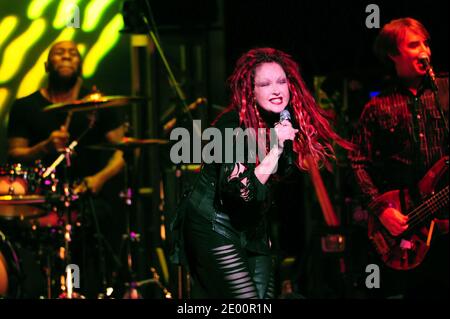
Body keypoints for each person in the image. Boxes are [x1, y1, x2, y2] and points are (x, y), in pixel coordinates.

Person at [170, 47, 352, 299]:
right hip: (214, 225)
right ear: (250, 92)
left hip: (251, 227)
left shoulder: (278, 123)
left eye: (281, 81)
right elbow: (240, 192)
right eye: (265, 84)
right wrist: (276, 148)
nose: (277, 90)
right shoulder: (230, 126)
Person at [5, 40, 125, 298]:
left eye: (73, 54)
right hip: (41, 201)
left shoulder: (98, 105)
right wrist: (45, 147)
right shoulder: (25, 107)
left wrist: (99, 178)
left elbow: (123, 150)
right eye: (60, 53)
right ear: (48, 65)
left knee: (102, 223)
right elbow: (14, 153)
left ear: (81, 65)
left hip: (88, 199)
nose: (67, 57)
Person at [349, 18, 449, 298]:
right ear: (393, 54)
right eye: (414, 45)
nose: (425, 51)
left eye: (426, 44)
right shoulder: (377, 107)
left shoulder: (446, 92)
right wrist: (380, 208)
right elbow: (358, 163)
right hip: (407, 227)